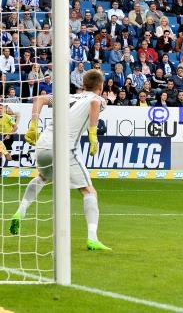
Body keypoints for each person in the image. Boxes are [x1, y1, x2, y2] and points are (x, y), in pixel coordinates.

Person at [10, 70, 111, 251]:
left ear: (83, 84)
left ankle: (21, 210)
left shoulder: (68, 96)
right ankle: (92, 238)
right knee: (89, 191)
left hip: (43, 144)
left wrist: (33, 124)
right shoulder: (98, 99)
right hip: (65, 147)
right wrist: (93, 135)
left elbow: (38, 100)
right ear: (100, 86)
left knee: (42, 177)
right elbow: (96, 103)